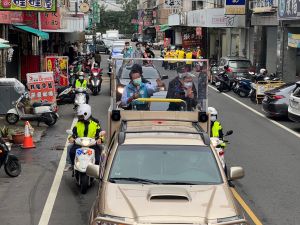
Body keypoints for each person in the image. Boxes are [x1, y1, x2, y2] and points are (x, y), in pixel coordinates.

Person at [66, 104, 104, 171]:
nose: (79, 118)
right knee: (71, 150)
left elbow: (100, 134)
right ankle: (71, 165)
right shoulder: (78, 124)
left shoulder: (95, 124)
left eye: (81, 116)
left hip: (92, 144)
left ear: (86, 114)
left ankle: (101, 169)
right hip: (79, 144)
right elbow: (73, 133)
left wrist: (100, 139)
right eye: (79, 116)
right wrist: (71, 138)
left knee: (99, 155)